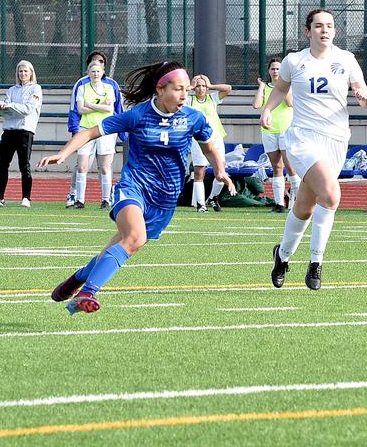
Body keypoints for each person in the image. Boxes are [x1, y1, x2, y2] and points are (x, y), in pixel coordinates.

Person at [40, 61, 235, 315]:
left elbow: (209, 146)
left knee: (122, 243)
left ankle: (79, 277)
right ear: (160, 89)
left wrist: (220, 170)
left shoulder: (193, 118)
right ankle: (87, 293)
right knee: (135, 237)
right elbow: (89, 133)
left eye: (186, 89)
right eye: (178, 89)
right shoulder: (138, 115)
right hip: (134, 187)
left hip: (165, 200)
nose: (184, 95)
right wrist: (63, 153)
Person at [261, 9, 367, 291]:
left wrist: (364, 97)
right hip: (302, 138)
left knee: (306, 205)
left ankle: (282, 256)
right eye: (319, 26)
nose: (325, 30)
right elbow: (279, 88)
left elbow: (364, 94)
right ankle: (316, 263)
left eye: (330, 26)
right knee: (332, 195)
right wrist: (268, 109)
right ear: (307, 31)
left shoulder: (346, 60)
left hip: (335, 140)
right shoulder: (294, 61)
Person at [64, 50, 125, 208]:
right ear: (88, 69)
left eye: (99, 66)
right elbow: (78, 109)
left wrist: (89, 105)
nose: (96, 71)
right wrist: (75, 127)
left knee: (105, 166)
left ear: (103, 68)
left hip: (105, 130)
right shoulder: (82, 85)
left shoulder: (111, 85)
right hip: (85, 130)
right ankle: (77, 197)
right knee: (82, 165)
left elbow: (111, 108)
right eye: (93, 67)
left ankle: (106, 198)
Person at [0, 60, 43, 208]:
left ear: (31, 73)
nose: (22, 74)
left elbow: (28, 109)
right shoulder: (11, 90)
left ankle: (26, 198)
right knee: (2, 165)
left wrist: (10, 106)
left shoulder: (36, 89)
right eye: (20, 71)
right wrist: (0, 106)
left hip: (25, 131)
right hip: (9, 131)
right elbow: (6, 111)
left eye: (25, 71)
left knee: (24, 165)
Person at [252, 57, 301, 213]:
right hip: (269, 131)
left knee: (290, 166)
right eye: (273, 69)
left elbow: (290, 103)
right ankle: (279, 203)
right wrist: (261, 87)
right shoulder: (266, 87)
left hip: (286, 130)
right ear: (269, 71)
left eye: (278, 69)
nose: (275, 71)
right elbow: (257, 105)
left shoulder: (289, 86)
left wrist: (283, 85)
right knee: (276, 166)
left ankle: (300, 201)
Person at [187, 74, 232, 212]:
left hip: (216, 137)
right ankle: (201, 204)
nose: (201, 89)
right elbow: (178, 94)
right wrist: (191, 86)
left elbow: (228, 88)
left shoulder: (212, 98)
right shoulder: (189, 100)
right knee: (200, 171)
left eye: (203, 86)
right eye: (198, 86)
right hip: (198, 139)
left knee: (221, 171)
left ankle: (212, 197)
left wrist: (210, 85)